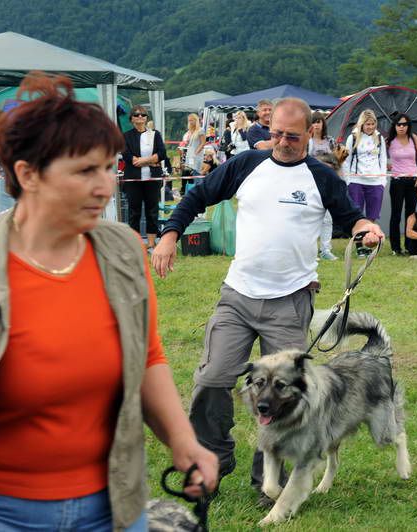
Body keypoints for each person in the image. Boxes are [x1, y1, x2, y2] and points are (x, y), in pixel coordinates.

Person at [0, 72, 217, 531]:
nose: (105, 186)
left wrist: (184, 441)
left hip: (114, 504)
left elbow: (148, 355)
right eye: (85, 171)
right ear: (27, 174)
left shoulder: (122, 249)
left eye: (109, 167)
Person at [150, 97, 383, 504]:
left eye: (291, 136)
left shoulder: (319, 177)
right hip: (237, 296)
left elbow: (350, 216)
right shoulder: (247, 165)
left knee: (282, 397)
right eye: (275, 133)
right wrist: (170, 233)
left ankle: (267, 482)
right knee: (212, 378)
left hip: (289, 302)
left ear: (309, 132)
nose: (281, 142)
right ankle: (212, 462)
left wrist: (366, 227)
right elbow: (197, 195)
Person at [121, 105, 167, 251]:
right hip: (133, 179)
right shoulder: (126, 136)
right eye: (136, 115)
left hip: (152, 179)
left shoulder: (155, 134)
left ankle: (152, 244)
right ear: (131, 119)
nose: (140, 117)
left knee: (152, 210)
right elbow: (128, 157)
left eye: (143, 115)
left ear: (147, 118)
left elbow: (162, 153)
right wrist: (150, 160)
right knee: (134, 211)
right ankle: (135, 243)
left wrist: (142, 161)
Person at [343, 109, 387, 257]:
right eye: (367, 124)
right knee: (358, 216)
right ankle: (360, 247)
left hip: (375, 182)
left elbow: (383, 160)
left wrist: (382, 181)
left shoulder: (379, 138)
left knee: (372, 216)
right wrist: (348, 180)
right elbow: (346, 160)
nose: (370, 127)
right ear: (362, 124)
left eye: (373, 124)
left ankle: (369, 244)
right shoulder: (353, 137)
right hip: (356, 180)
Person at [386, 113, 417, 255]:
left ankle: (410, 246)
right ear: (395, 126)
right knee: (396, 215)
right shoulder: (389, 140)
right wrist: (386, 165)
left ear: (408, 126)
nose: (402, 127)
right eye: (399, 124)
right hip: (397, 181)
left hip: (413, 181)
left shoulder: (413, 138)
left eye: (404, 124)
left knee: (411, 215)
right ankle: (395, 248)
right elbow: (377, 157)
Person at [308, 111, 338, 260]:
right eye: (314, 122)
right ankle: (311, 250)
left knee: (328, 219)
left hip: (328, 182)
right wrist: (322, 163)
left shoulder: (330, 141)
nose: (316, 125)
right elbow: (306, 160)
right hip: (311, 182)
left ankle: (326, 249)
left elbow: (337, 159)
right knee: (311, 217)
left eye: (319, 122)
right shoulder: (307, 141)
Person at [182, 113, 206, 194]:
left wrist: (196, 152)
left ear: (196, 121)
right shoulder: (190, 131)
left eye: (192, 120)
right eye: (189, 120)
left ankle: (201, 191)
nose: (190, 122)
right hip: (190, 155)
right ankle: (197, 191)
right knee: (192, 173)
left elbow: (203, 143)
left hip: (197, 155)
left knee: (197, 173)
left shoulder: (200, 130)